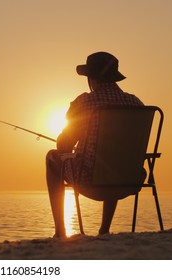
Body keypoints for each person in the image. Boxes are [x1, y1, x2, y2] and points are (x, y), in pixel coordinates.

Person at [46, 51, 144, 238]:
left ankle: (60, 231)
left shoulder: (84, 102)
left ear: (91, 78)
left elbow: (64, 146)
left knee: (52, 156)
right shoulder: (136, 103)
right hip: (130, 180)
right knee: (114, 160)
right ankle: (104, 230)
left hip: (89, 181)